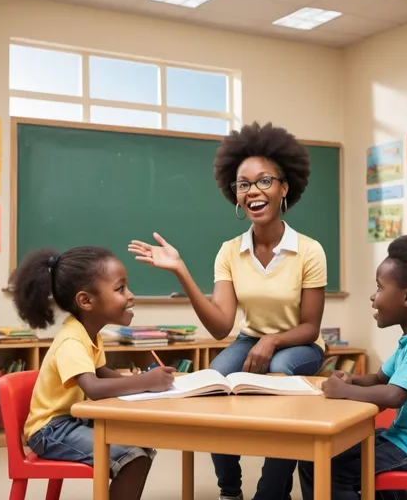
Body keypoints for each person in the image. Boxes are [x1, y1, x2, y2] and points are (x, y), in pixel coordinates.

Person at [128, 122, 327, 500]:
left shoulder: (309, 250)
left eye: (264, 181)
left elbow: (310, 326)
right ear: (234, 194)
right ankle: (229, 490)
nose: (253, 190)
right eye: (243, 183)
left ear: (285, 187)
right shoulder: (229, 251)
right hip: (250, 339)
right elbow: (221, 326)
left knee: (281, 373)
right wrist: (181, 271)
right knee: (212, 379)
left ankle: (271, 491)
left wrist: (272, 340)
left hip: (299, 344)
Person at [298, 234, 407, 500]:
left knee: (334, 467)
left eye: (380, 287)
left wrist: (344, 392)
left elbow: (394, 395)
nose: (373, 297)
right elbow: (378, 378)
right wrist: (349, 381)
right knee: (315, 457)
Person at [10, 246, 176, 500]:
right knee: (132, 458)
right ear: (86, 301)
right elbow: (94, 388)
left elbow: (103, 373)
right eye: (120, 289)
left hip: (73, 421)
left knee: (142, 443)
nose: (131, 295)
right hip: (51, 431)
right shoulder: (72, 341)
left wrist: (145, 384)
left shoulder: (90, 335)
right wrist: (146, 381)